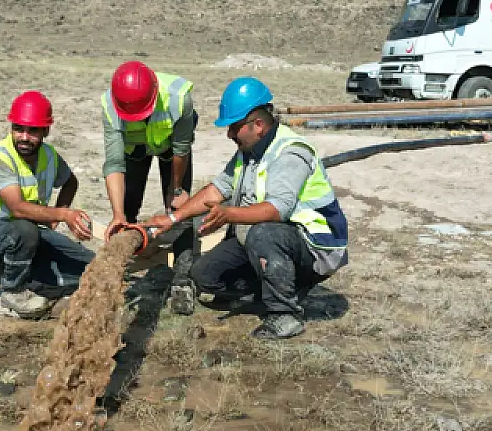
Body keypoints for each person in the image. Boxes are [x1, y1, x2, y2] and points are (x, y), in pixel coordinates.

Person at [144, 77, 349, 339]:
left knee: (263, 233)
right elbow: (217, 189)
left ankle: (285, 314)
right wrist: (173, 217)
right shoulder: (248, 150)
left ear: (259, 125)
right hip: (266, 239)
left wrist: (229, 214)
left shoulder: (289, 152)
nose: (229, 134)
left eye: (234, 127)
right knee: (204, 275)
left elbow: (277, 210)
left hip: (315, 246)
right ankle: (269, 288)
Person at [0, 90, 95, 319]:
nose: (24, 137)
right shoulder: (0, 160)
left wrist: (54, 218)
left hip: (26, 234)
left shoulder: (49, 155)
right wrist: (62, 214)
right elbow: (18, 208)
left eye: (33, 131)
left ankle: (35, 282)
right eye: (18, 128)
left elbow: (70, 182)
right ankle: (11, 292)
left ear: (46, 131)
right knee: (24, 231)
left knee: (89, 266)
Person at [100, 60, 199, 314]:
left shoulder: (179, 100)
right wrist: (118, 214)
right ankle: (117, 275)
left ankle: (183, 280)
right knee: (127, 206)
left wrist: (175, 189)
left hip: (172, 149)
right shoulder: (111, 105)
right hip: (135, 149)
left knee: (180, 211)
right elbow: (113, 163)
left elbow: (181, 149)